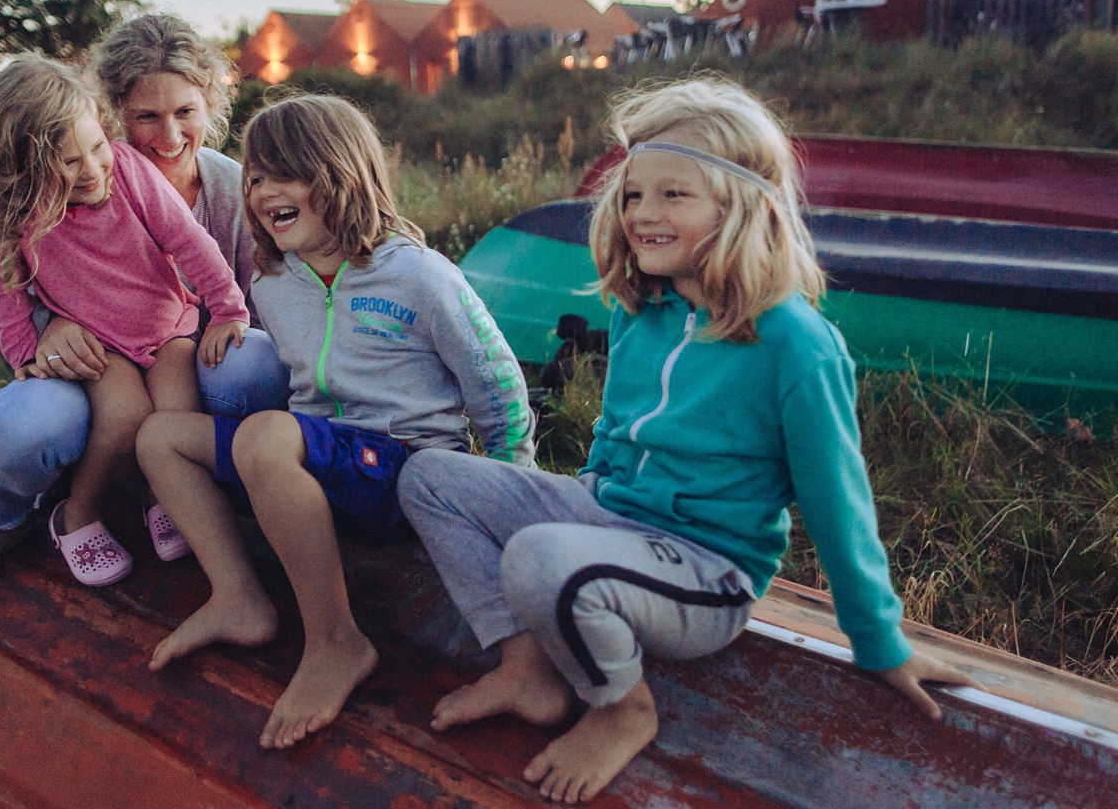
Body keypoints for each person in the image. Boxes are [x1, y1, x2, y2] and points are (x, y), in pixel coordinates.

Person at [397, 78, 979, 804]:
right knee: (429, 477)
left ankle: (622, 708)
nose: (644, 214)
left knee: (541, 559)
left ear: (741, 208)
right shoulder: (644, 312)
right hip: (612, 521)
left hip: (706, 573)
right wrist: (572, 506)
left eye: (675, 196)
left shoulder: (796, 344)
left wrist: (880, 643)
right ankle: (526, 669)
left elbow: (839, 504)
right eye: (635, 194)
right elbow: (612, 438)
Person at [133, 94, 535, 750]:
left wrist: (505, 499)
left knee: (267, 436)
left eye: (285, 173)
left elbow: (498, 387)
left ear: (339, 173)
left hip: (403, 472)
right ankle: (238, 597)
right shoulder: (273, 282)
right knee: (161, 438)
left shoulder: (418, 276)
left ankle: (335, 643)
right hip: (325, 470)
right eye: (255, 176)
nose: (263, 192)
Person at [0, 13, 289, 613]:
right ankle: (56, 514)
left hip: (173, 328)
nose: (168, 134)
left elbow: (195, 245)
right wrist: (29, 347)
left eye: (185, 112)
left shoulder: (184, 178)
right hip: (93, 344)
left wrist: (228, 308)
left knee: (178, 413)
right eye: (147, 116)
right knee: (114, 418)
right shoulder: (16, 196)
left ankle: (165, 498)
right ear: (115, 111)